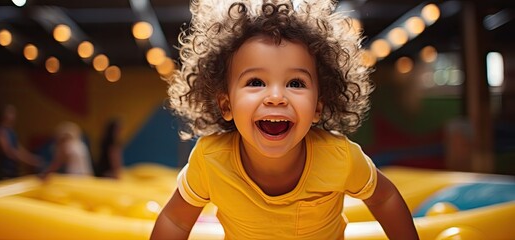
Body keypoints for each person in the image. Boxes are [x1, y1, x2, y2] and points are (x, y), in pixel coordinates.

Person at [151, 0, 419, 239]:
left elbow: (385, 198)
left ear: (318, 106)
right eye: (256, 82)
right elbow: (175, 219)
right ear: (226, 104)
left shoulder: (339, 157)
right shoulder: (211, 161)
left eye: (295, 83)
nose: (276, 97)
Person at [0, 104, 41, 178]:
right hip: (5, 171)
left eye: (14, 113)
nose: (14, 115)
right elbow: (9, 152)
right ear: (4, 115)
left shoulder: (12, 131)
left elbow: (19, 148)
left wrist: (33, 158)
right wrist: (29, 161)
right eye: (11, 113)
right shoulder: (1, 132)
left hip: (14, 169)